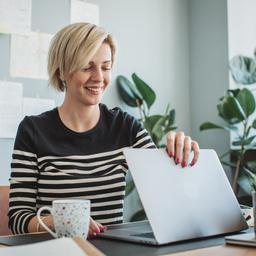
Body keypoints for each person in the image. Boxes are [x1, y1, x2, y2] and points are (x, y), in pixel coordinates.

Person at [8, 23, 199, 237]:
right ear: (62, 71)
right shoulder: (33, 130)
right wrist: (57, 220)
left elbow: (169, 189)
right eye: (87, 67)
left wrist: (179, 152)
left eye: (105, 67)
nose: (99, 77)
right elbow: (18, 218)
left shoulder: (126, 127)